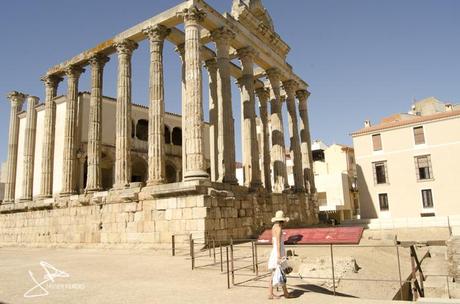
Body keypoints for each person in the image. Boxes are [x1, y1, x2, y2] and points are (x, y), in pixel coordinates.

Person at [268, 210, 291, 299]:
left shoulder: (274, 227)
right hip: (278, 252)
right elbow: (277, 242)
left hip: (276, 250)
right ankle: (272, 293)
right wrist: (279, 256)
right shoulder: (279, 228)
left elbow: (273, 241)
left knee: (279, 272)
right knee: (277, 272)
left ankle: (285, 293)